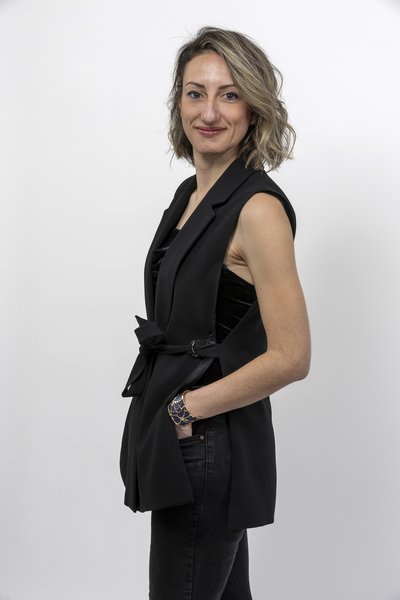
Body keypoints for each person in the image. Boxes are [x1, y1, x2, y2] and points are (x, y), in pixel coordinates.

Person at [119, 26, 311, 599]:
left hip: (209, 441)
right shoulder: (189, 195)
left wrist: (185, 408)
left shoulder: (257, 209)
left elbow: (292, 356)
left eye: (229, 95)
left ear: (254, 109)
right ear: (177, 103)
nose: (209, 112)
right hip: (187, 442)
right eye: (194, 93)